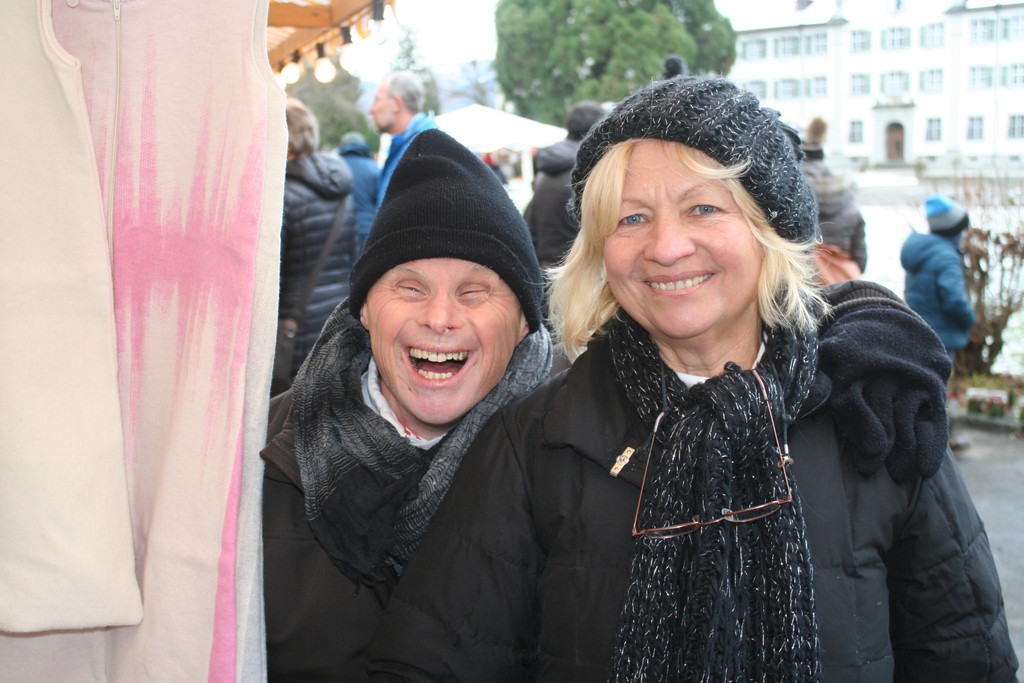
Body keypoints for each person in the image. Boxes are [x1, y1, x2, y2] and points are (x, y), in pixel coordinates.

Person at [367, 77, 1018, 681]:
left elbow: (964, 654)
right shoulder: (536, 441)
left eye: (703, 208)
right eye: (631, 217)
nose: (666, 246)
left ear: (770, 229)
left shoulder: (875, 413)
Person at [261, 128, 553, 681]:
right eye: (410, 288)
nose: (439, 318)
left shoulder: (569, 458)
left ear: (522, 323)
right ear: (365, 310)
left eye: (474, 292)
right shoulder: (261, 450)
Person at [275, 97, 357, 395]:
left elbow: (274, 275)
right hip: (336, 319)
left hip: (294, 326)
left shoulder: (283, 196)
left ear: (285, 142)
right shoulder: (343, 192)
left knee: (289, 407)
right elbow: (351, 257)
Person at [901, 192, 978, 451]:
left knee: (923, 387)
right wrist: (970, 319)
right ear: (955, 229)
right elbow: (954, 300)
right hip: (942, 334)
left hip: (920, 329)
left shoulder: (921, 251)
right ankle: (938, 445)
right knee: (939, 390)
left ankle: (921, 439)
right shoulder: (946, 256)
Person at [524, 101, 606, 271]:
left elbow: (530, 225)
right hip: (579, 273)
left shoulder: (545, 169)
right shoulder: (588, 171)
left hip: (545, 269)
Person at [800, 116, 868, 284]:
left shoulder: (790, 192)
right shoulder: (847, 199)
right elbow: (860, 257)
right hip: (841, 283)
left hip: (804, 281)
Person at [368, 70, 438, 207]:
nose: (370, 110)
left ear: (396, 103)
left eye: (377, 100)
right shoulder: (411, 144)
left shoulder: (427, 148)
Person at [337, 130, 380, 254]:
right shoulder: (373, 168)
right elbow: (379, 201)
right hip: (366, 229)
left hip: (340, 227)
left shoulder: (336, 167)